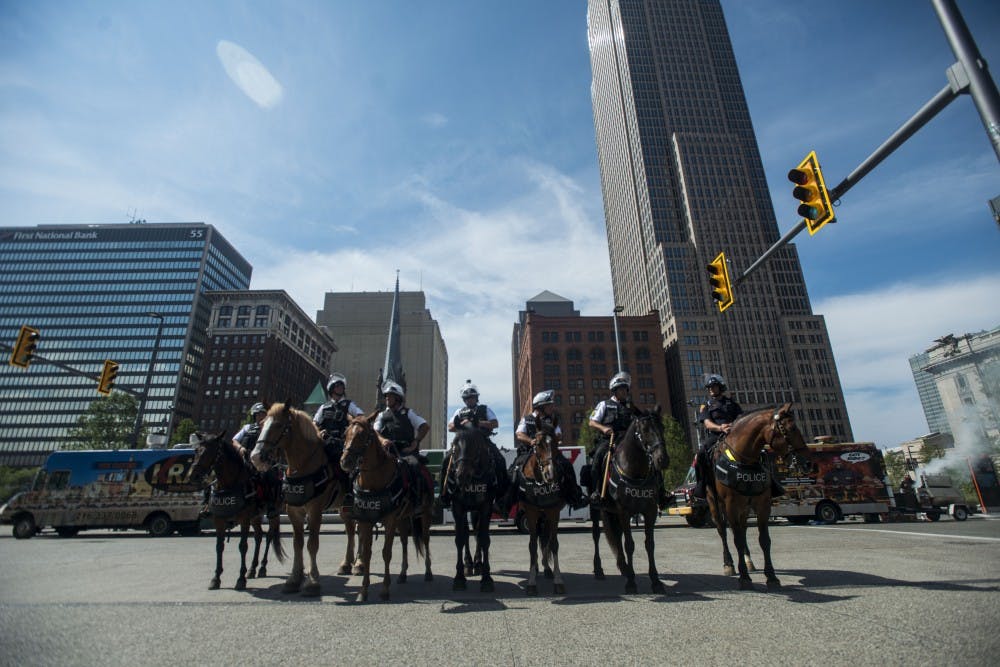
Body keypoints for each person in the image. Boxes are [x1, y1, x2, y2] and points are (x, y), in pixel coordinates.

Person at [692, 374, 784, 500]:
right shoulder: (706, 406)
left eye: (713, 386)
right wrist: (720, 428)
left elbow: (742, 419)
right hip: (716, 436)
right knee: (701, 454)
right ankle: (701, 487)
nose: (711, 389)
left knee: (762, 453)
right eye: (709, 387)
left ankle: (772, 485)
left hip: (735, 434)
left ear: (720, 387)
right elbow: (707, 423)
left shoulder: (732, 404)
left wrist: (733, 426)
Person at [502, 389, 588, 512]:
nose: (552, 407)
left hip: (548, 451)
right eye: (549, 405)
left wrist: (555, 438)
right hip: (529, 452)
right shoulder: (527, 419)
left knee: (567, 465)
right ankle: (506, 502)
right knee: (514, 471)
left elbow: (558, 434)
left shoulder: (552, 419)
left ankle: (575, 496)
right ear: (540, 406)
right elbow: (519, 434)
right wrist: (530, 441)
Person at [438, 380, 509, 508]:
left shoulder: (485, 409)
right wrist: (462, 423)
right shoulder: (459, 411)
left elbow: (495, 423)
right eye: (466, 398)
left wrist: (479, 423)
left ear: (476, 398)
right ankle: (444, 496)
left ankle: (501, 496)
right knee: (445, 461)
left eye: (471, 397)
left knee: (500, 460)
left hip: (483, 442)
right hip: (463, 443)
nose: (469, 400)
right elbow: (450, 427)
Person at [588, 372, 636, 504]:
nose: (625, 392)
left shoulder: (630, 406)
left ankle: (660, 492)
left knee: (651, 454)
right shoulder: (604, 404)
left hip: (628, 441)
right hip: (609, 440)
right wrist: (604, 428)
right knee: (598, 458)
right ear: (615, 391)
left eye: (626, 389)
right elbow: (591, 421)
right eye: (622, 389)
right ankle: (596, 491)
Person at [313, 373, 365, 470]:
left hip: (341, 443)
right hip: (324, 441)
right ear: (332, 388)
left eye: (342, 386)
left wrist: (352, 425)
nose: (340, 387)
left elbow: (360, 416)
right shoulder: (324, 407)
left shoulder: (349, 404)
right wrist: (319, 432)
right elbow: (314, 423)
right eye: (338, 385)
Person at [374, 381, 429, 464]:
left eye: (390, 395)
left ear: (398, 398)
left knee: (413, 469)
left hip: (406, 453)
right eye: (386, 396)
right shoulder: (381, 415)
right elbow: (375, 431)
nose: (387, 398)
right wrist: (382, 440)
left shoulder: (409, 413)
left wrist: (416, 441)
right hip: (387, 452)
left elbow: (425, 426)